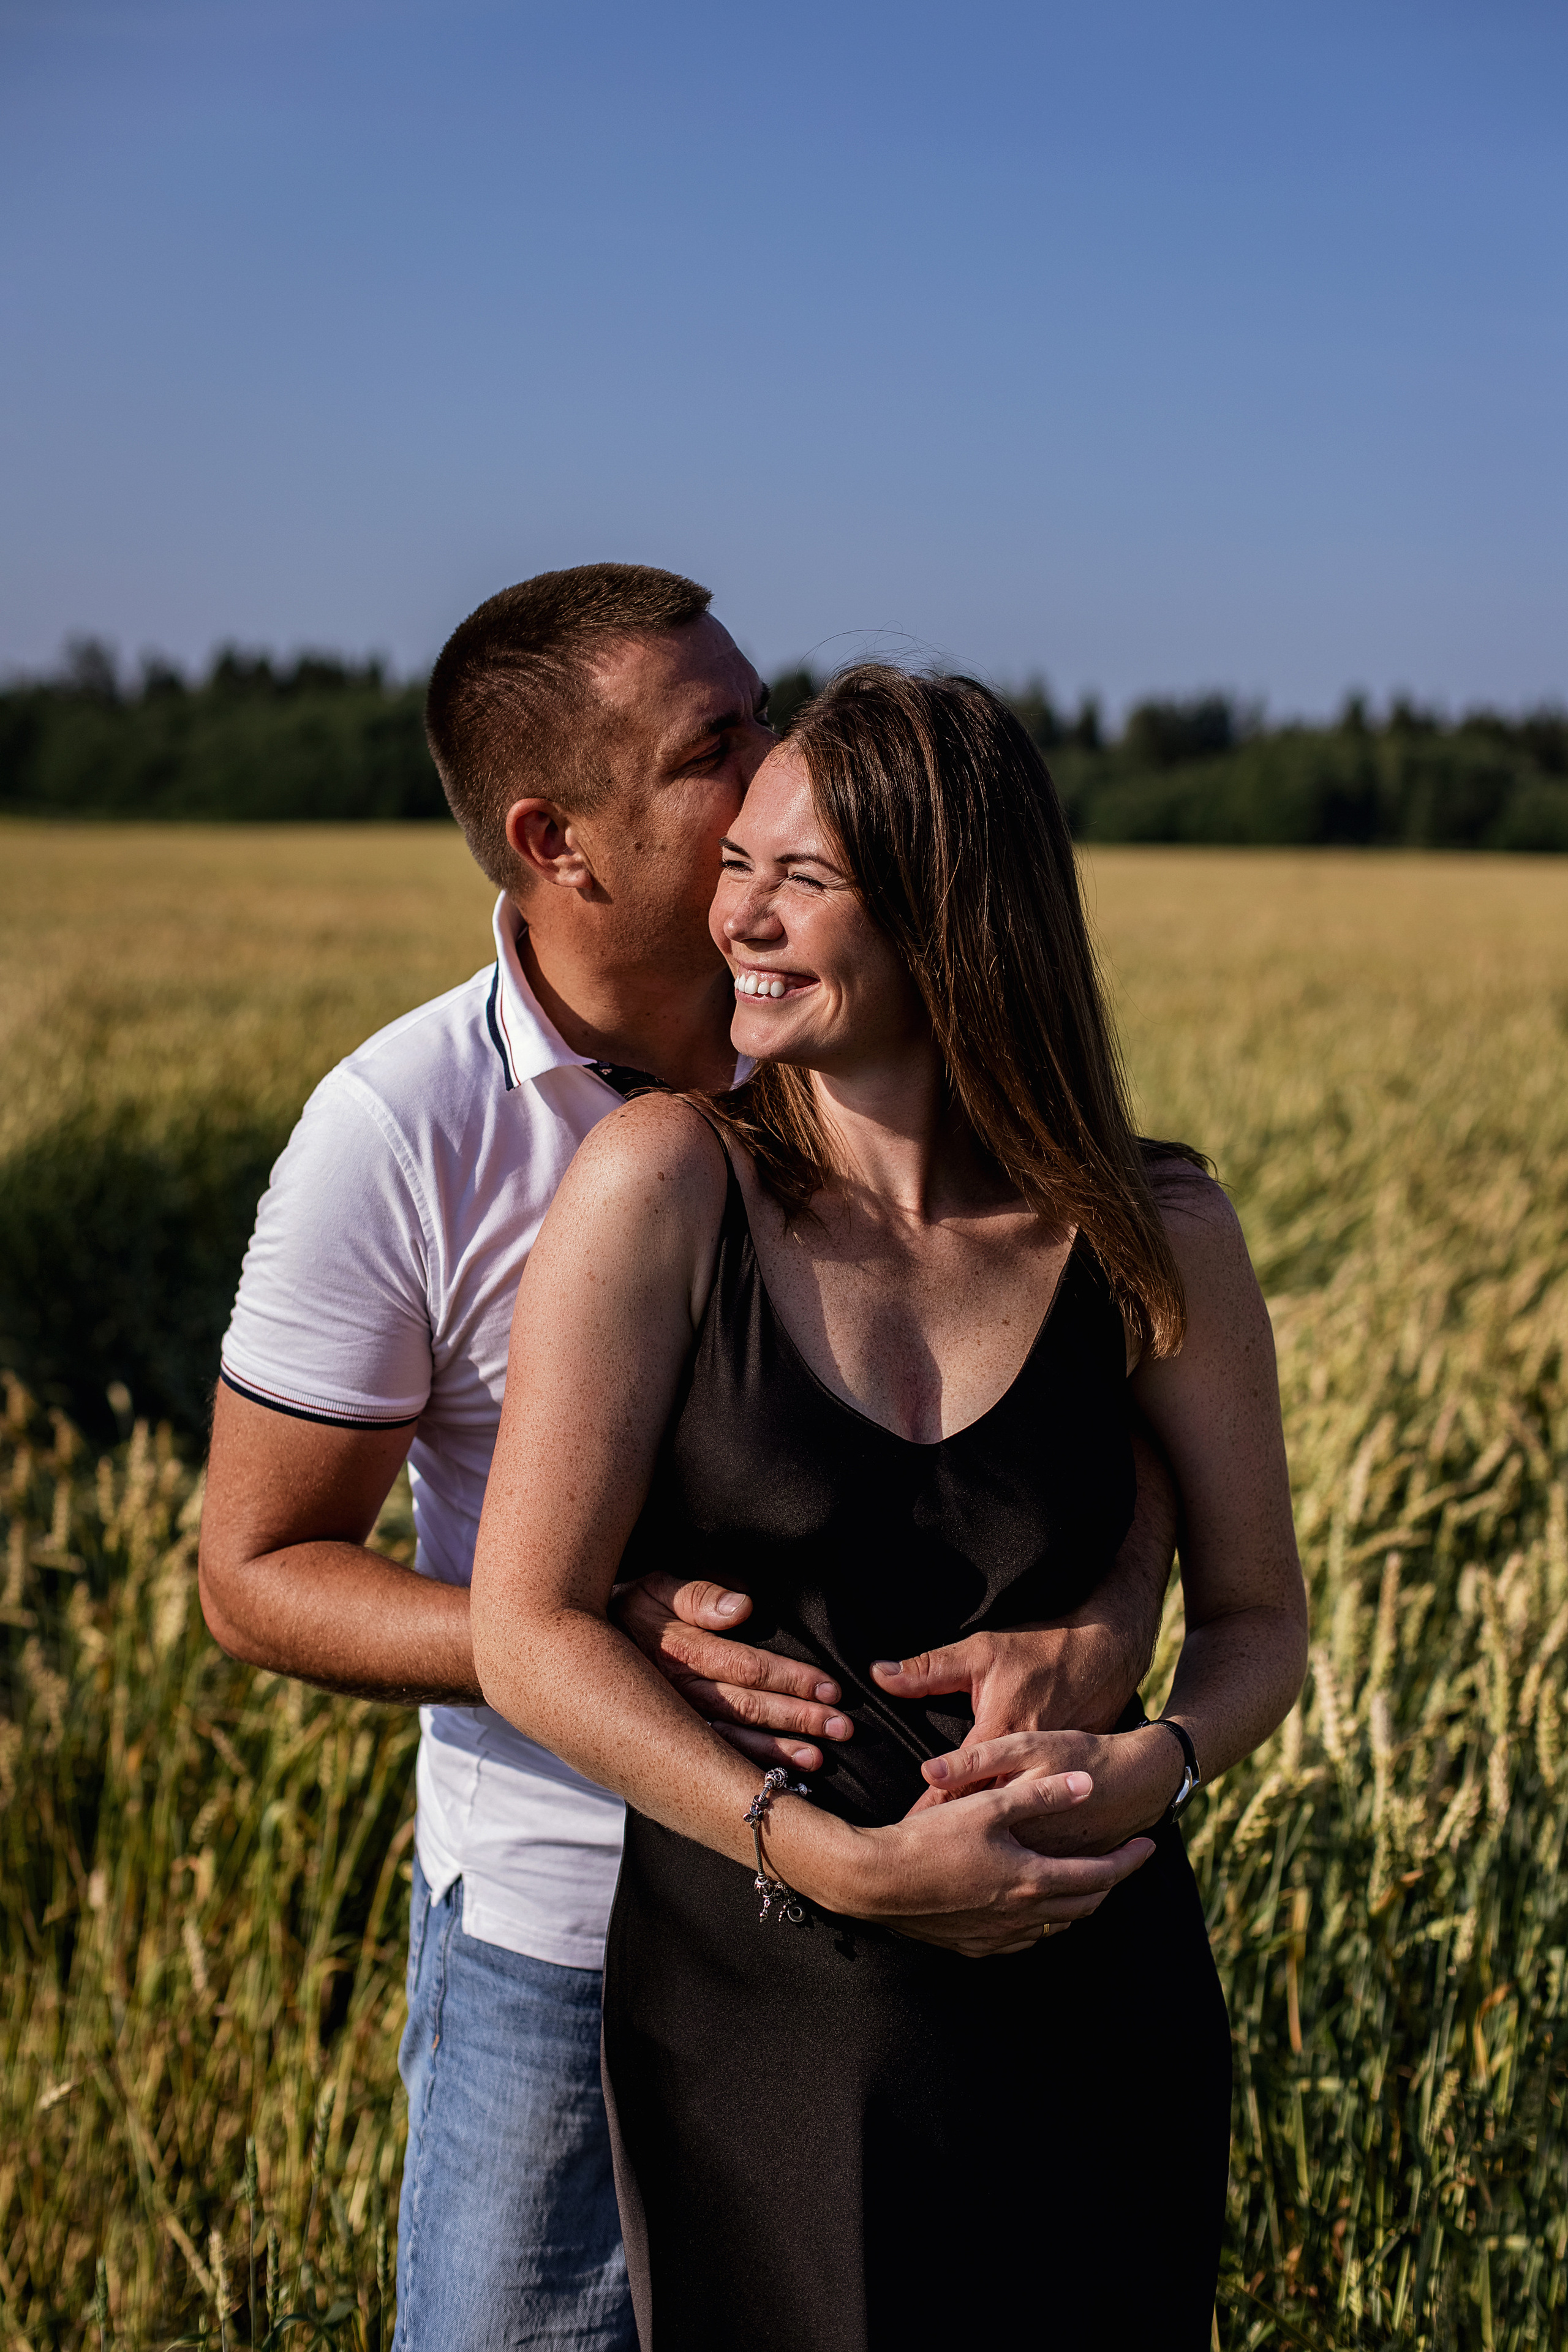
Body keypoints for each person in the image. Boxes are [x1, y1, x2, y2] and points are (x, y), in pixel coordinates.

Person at [198, 571, 1180, 2351]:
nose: (778, 764)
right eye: (714, 746)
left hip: (923, 1937)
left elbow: (1102, 1394)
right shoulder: (403, 1131)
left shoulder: (873, 1045)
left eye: (765, 707)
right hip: (565, 1927)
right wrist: (573, 1631)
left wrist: (1115, 1614)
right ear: (554, 841)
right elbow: (255, 1575)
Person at [470, 664, 1308, 2351]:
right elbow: (526, 1626)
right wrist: (831, 1862)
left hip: (1093, 2000)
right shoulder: (664, 1186)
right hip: (769, 2010)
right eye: (737, 866)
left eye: (803, 878)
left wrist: (1158, 1763)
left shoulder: (1151, 1229)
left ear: (949, 919)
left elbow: (1259, 1619)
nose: (740, 919)